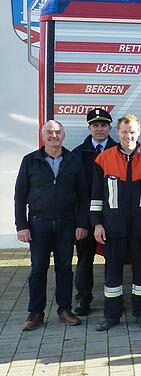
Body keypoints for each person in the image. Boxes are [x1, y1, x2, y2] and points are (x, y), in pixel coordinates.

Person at [15, 120, 89, 331]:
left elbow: (83, 196)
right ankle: (35, 313)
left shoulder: (74, 160)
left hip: (67, 224)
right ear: (42, 135)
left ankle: (64, 309)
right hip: (39, 224)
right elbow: (19, 196)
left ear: (63, 135)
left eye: (57, 132)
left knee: (65, 268)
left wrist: (83, 223)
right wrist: (22, 225)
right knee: (38, 269)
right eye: (49, 132)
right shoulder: (30, 160)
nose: (53, 135)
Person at [91, 114, 141, 331]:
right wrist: (97, 224)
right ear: (117, 132)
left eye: (132, 132)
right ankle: (111, 315)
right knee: (112, 272)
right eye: (124, 131)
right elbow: (96, 195)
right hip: (113, 227)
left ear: (139, 133)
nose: (128, 135)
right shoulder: (104, 159)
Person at [72, 107, 118, 316]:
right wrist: (80, 221)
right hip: (85, 217)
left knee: (112, 259)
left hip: (111, 216)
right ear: (89, 127)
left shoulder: (119, 151)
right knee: (84, 259)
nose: (99, 129)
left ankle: (113, 299)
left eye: (103, 125)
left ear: (110, 127)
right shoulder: (77, 154)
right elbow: (73, 191)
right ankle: (83, 299)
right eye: (95, 125)